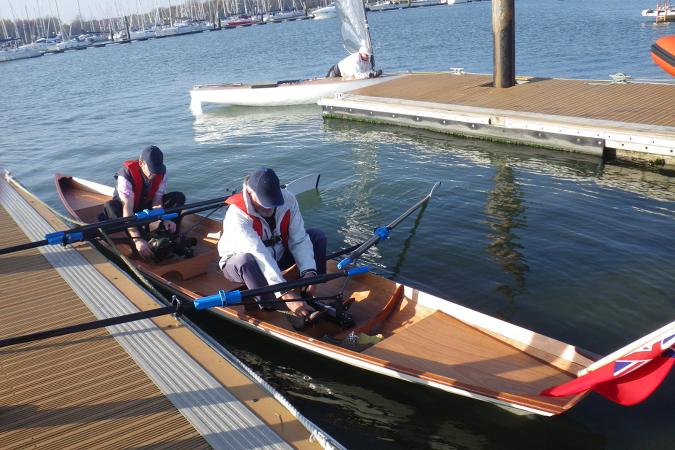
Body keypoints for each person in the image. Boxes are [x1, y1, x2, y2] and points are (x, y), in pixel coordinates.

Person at [218, 168, 327, 318]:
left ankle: (309, 288)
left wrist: (309, 271)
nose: (269, 208)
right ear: (249, 192)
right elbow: (259, 254)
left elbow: (299, 238)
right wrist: (286, 293)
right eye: (264, 203)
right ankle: (268, 306)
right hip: (245, 266)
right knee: (245, 260)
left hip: (278, 255)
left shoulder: (288, 199)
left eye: (273, 203)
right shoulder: (237, 215)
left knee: (317, 237)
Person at [101, 145, 185, 260]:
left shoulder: (161, 173)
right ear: (141, 164)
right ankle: (142, 242)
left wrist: (165, 218)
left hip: (145, 205)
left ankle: (168, 235)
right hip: (125, 210)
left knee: (178, 197)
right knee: (110, 206)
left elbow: (157, 202)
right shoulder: (125, 176)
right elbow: (128, 212)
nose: (154, 174)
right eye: (151, 170)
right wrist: (138, 239)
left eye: (157, 170)